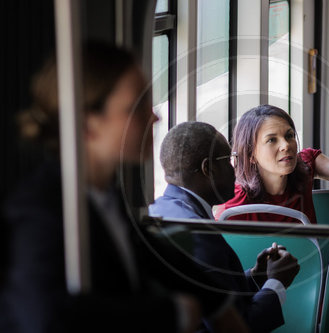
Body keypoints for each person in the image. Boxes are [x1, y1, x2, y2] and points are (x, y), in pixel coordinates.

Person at [1, 42, 248, 333]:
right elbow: (47, 317)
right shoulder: (41, 211)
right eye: (136, 107)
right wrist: (173, 313)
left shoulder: (104, 195)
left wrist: (217, 303)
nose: (153, 117)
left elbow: (150, 253)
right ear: (88, 124)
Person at [149, 121, 300, 332]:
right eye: (230, 160)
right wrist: (276, 283)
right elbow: (239, 326)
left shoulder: (160, 210)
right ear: (208, 169)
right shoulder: (199, 232)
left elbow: (208, 294)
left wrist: (256, 277)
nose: (235, 169)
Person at [216, 104, 329, 224]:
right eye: (272, 140)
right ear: (250, 155)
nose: (286, 145)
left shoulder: (302, 171)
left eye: (289, 135)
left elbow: (311, 156)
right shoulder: (236, 204)